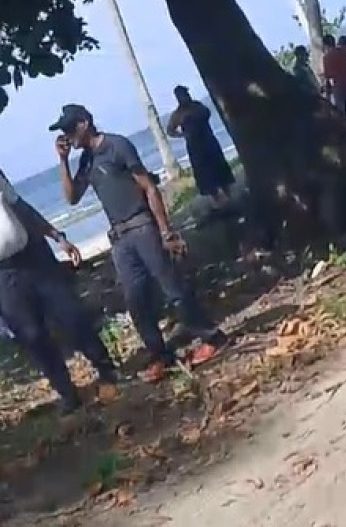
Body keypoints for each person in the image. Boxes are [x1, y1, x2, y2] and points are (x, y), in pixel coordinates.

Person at [52, 104, 227, 383]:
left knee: (173, 288)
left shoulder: (117, 146)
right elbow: (72, 197)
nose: (68, 136)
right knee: (136, 301)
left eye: (70, 129)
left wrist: (166, 232)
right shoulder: (86, 160)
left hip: (142, 226)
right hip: (120, 239)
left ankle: (211, 336)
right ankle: (161, 355)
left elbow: (149, 187)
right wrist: (62, 161)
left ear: (85, 123)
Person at [0, 169, 117, 414]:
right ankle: (66, 392)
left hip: (34, 257)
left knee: (71, 315)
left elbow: (21, 207)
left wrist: (57, 236)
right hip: (4, 275)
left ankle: (106, 369)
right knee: (32, 336)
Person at [167, 86, 235, 211]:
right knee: (204, 175)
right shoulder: (178, 114)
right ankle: (217, 201)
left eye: (186, 93)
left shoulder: (197, 106)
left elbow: (207, 113)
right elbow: (170, 130)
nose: (186, 96)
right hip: (195, 147)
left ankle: (228, 196)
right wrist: (183, 134)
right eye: (183, 94)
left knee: (219, 167)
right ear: (178, 97)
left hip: (208, 140)